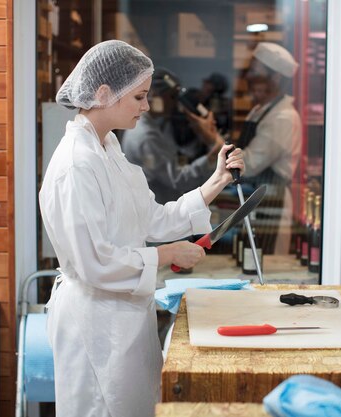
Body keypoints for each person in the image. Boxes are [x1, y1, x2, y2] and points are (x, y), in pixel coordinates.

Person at [39, 40, 244, 417]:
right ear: (104, 94)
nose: (147, 106)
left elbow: (152, 218)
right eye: (139, 97)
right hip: (94, 325)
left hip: (125, 319)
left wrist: (216, 182)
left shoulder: (108, 149)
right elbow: (94, 262)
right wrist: (168, 254)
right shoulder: (76, 165)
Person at [189, 42, 301, 254]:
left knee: (260, 263)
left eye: (255, 72)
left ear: (275, 78)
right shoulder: (261, 110)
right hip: (254, 202)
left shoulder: (282, 118)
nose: (248, 76)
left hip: (269, 206)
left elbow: (248, 164)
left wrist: (210, 136)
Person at [121, 68, 223, 204]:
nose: (175, 103)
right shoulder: (146, 136)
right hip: (156, 212)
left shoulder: (152, 126)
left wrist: (201, 132)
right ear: (154, 95)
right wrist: (217, 149)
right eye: (172, 96)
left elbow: (173, 159)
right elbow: (179, 179)